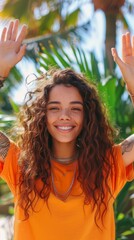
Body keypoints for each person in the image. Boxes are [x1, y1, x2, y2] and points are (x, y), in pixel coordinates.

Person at [0, 19, 133, 240]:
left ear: (87, 116)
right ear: (42, 115)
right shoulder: (20, 166)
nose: (65, 115)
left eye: (75, 108)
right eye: (54, 108)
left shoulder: (108, 167)